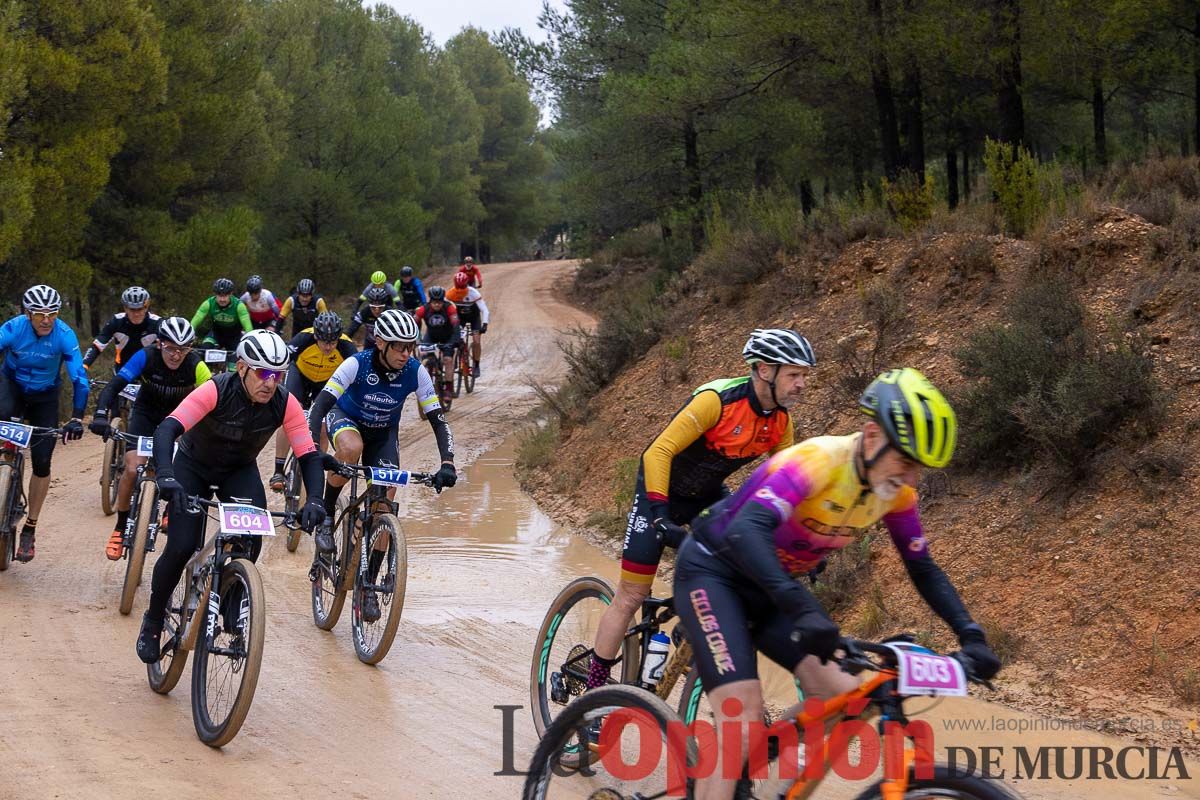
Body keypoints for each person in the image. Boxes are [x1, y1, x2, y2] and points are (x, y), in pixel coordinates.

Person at [674, 368, 1001, 800]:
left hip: (771, 587)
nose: (911, 478)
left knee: (848, 696)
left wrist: (970, 634)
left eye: (919, 468)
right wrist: (803, 608)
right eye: (905, 461)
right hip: (713, 573)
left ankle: (765, 780)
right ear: (870, 437)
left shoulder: (896, 494)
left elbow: (922, 568)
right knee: (741, 720)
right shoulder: (818, 461)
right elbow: (747, 531)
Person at [585, 329, 814, 693]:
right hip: (658, 492)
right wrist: (660, 515)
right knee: (631, 595)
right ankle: (594, 688)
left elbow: (783, 489)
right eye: (795, 374)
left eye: (805, 375)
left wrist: (800, 542)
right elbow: (657, 453)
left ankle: (687, 630)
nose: (803, 383)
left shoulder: (780, 422)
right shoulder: (717, 401)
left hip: (706, 497)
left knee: (739, 576)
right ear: (765, 371)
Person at [135, 329, 328, 664]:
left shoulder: (285, 402)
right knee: (181, 545)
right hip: (193, 466)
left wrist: (315, 501)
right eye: (263, 373)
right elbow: (167, 429)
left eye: (278, 375)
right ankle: (153, 618)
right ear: (241, 367)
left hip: (238, 470)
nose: (271, 382)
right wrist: (166, 475)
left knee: (251, 537)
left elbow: (309, 456)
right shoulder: (216, 389)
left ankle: (233, 592)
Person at [306, 309, 457, 620]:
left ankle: (369, 587)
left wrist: (448, 462)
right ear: (380, 342)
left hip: (383, 434)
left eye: (410, 346)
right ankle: (327, 511)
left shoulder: (416, 371)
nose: (406, 354)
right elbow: (321, 405)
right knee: (350, 448)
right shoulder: (356, 364)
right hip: (346, 419)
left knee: (386, 501)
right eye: (399, 347)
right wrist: (311, 449)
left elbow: (438, 420)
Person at [89, 317, 212, 559]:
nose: (176, 355)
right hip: (145, 415)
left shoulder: (196, 365)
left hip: (178, 419)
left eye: (183, 349)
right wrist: (101, 414)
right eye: (170, 348)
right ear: (159, 344)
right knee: (133, 469)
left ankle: (168, 508)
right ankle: (121, 525)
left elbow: (214, 397)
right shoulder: (145, 356)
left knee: (179, 469)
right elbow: (114, 386)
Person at [0, 285, 88, 562]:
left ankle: (30, 528)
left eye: (52, 313)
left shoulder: (63, 335)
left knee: (42, 462)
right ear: (28, 314)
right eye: (40, 314)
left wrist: (76, 417)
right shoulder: (13, 329)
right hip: (11, 388)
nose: (47, 320)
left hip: (45, 397)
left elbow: (79, 379)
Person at [269, 311, 357, 491]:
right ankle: (278, 470)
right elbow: (282, 361)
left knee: (323, 424)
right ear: (316, 336)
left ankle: (315, 466)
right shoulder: (304, 338)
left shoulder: (347, 346)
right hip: (300, 376)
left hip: (326, 383)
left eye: (333, 342)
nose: (328, 346)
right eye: (324, 341)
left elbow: (356, 376)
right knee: (289, 415)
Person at [82, 286, 161, 371]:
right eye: (132, 309)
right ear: (125, 308)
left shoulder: (157, 323)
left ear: (146, 307)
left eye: (140, 309)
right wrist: (84, 366)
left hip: (151, 373)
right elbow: (97, 346)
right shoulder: (116, 322)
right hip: (123, 372)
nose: (136, 314)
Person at [411, 286, 460, 402]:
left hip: (448, 337)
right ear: (430, 301)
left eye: (439, 302)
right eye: (434, 302)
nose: (437, 305)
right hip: (431, 337)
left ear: (443, 301)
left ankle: (448, 388)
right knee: (424, 356)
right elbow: (413, 324)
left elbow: (456, 325)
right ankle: (430, 373)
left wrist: (455, 341)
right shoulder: (423, 309)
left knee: (448, 360)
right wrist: (414, 339)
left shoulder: (450, 308)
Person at [446, 271, 490, 378]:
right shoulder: (451, 293)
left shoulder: (473, 293)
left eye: (463, 287)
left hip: (474, 317)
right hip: (461, 318)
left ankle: (476, 364)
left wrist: (484, 324)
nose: (461, 289)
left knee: (476, 341)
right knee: (455, 338)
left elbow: (484, 310)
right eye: (458, 287)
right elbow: (444, 307)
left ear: (467, 284)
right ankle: (456, 356)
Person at [191, 278, 252, 351]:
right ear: (215, 294)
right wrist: (189, 333)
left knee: (237, 357)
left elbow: (248, 326)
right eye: (219, 295)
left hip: (234, 337)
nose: (222, 299)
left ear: (230, 294)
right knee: (205, 349)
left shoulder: (239, 305)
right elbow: (195, 320)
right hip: (216, 334)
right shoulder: (208, 303)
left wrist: (249, 338)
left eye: (225, 295)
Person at [347, 284, 394, 351]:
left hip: (386, 344)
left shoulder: (390, 313)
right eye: (373, 307)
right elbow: (351, 330)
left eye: (380, 308)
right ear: (369, 306)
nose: (377, 311)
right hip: (370, 343)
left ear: (384, 306)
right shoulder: (365, 312)